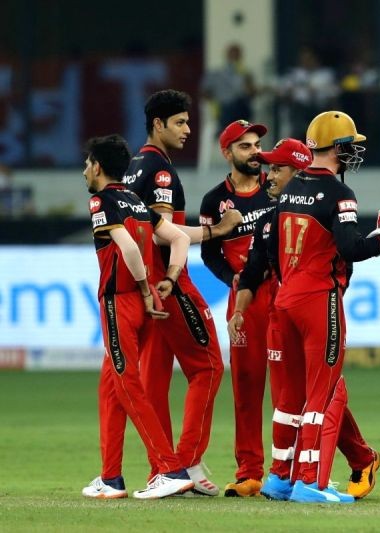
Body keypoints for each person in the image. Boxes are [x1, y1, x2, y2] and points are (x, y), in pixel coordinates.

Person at [266, 111, 380, 504]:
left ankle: (279, 478)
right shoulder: (340, 195)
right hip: (318, 300)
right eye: (350, 144)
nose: (354, 151)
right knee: (319, 395)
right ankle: (308, 481)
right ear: (338, 148)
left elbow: (274, 251)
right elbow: (350, 248)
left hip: (285, 297)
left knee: (289, 396)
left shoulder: (289, 189)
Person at [80, 134, 194, 500]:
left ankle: (169, 468)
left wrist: (146, 289)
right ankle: (111, 477)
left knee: (128, 385)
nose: (84, 170)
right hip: (143, 309)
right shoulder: (138, 202)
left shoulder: (102, 201)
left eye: (87, 164)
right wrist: (169, 278)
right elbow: (180, 239)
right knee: (111, 386)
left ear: (97, 166)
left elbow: (127, 247)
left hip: (121, 303)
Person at [125, 89, 225, 495]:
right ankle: (184, 464)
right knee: (209, 367)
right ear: (158, 125)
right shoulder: (161, 171)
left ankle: (163, 469)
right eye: (180, 122)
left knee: (155, 379)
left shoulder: (132, 167)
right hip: (169, 279)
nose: (188, 129)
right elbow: (169, 234)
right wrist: (219, 230)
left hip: (140, 284)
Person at [226, 138, 312, 500]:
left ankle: (304, 474)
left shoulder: (320, 210)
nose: (269, 174)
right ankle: (286, 476)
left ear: (299, 172)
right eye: (269, 167)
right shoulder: (268, 219)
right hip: (281, 318)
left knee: (315, 395)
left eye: (277, 168)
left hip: (312, 317)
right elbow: (252, 271)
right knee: (295, 397)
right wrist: (240, 310)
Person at [197, 119, 273, 497]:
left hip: (282, 294)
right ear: (227, 153)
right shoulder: (214, 201)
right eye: (245, 146)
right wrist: (234, 280)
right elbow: (209, 253)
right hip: (245, 302)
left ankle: (298, 468)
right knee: (246, 385)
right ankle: (250, 472)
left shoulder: (277, 191)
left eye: (257, 144)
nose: (255, 152)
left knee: (301, 385)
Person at [201, 44, 257, 133]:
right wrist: (214, 99)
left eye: (237, 55)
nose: (234, 58)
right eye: (232, 55)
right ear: (227, 55)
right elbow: (204, 93)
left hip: (240, 110)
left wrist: (248, 86)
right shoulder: (216, 74)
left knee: (239, 105)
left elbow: (252, 94)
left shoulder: (246, 74)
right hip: (223, 110)